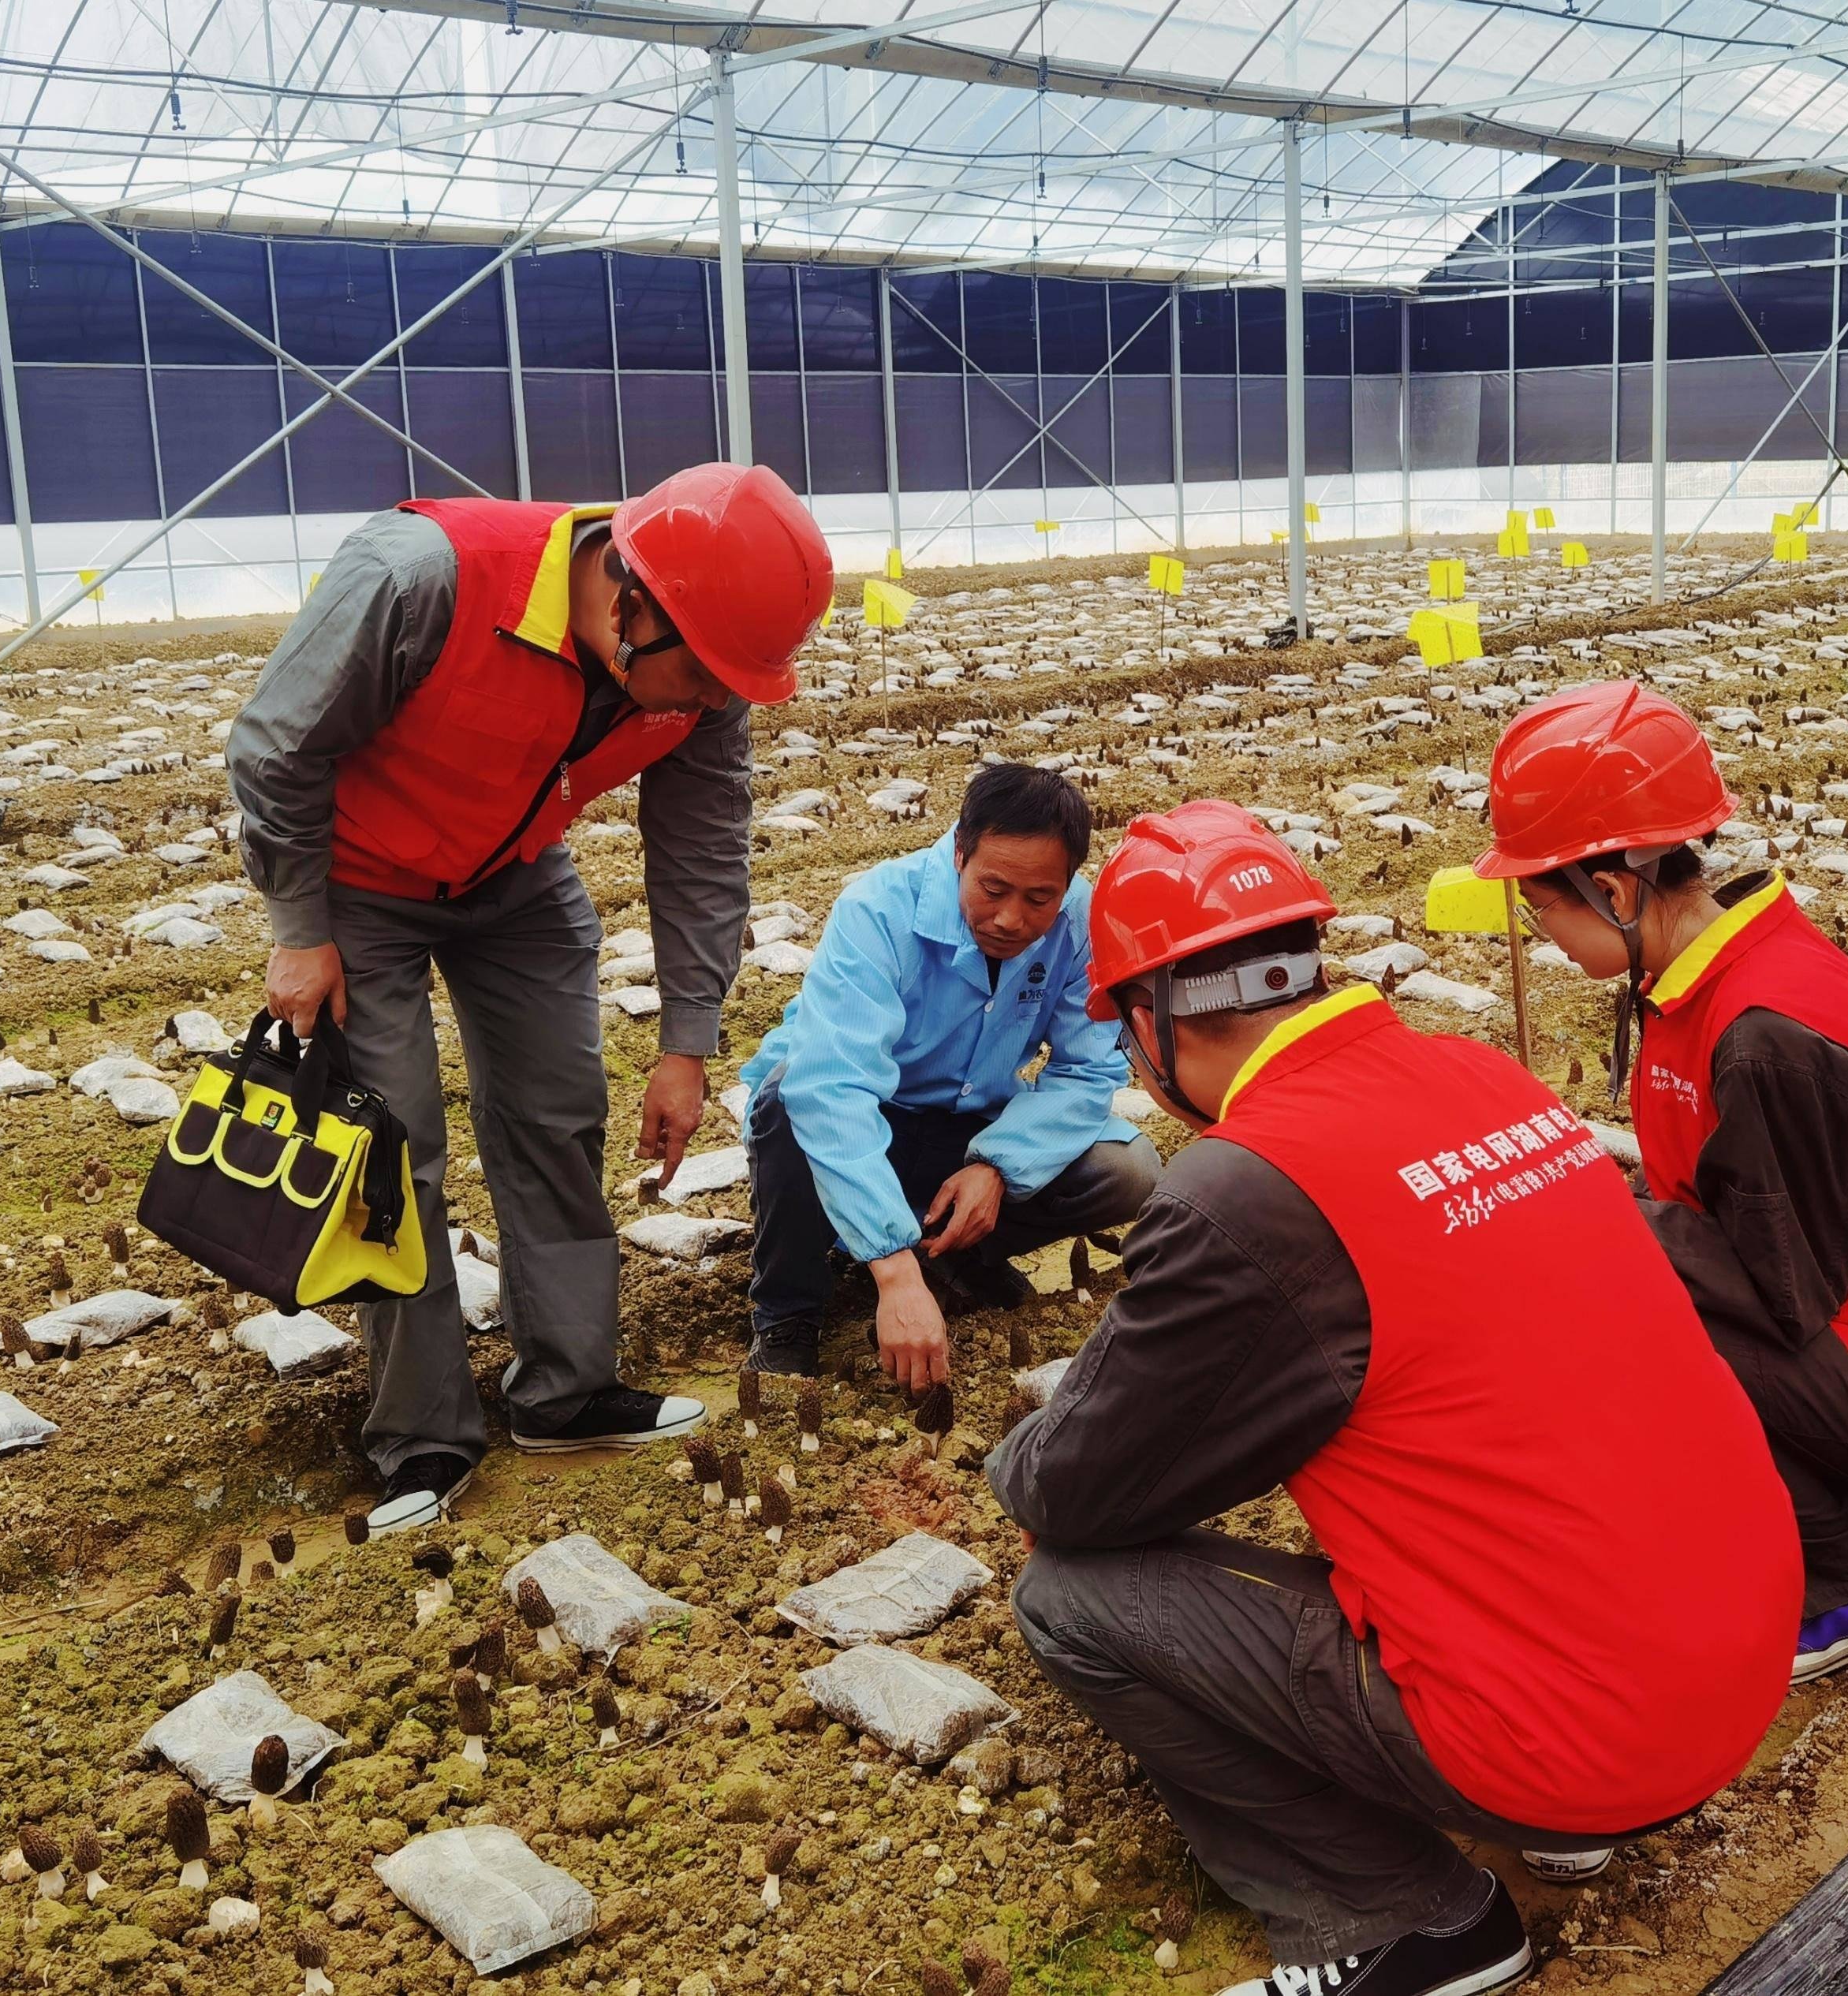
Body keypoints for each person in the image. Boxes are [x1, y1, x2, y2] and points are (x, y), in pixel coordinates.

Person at [991, 800, 1799, 1996]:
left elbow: (1075, 1485)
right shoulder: (1473, 1073)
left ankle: (1391, 1919)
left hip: (1583, 1734)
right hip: (1737, 1667)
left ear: (1151, 1022)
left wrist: (1022, 1459)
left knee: (1068, 1595)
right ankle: (1557, 1819)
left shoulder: (1249, 1185)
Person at [226, 462, 833, 1537]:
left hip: (516, 873)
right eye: (702, 678)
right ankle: (420, 1434)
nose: (711, 704)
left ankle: (564, 1391)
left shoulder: (706, 680)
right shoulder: (423, 579)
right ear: (632, 601)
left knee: (556, 1113)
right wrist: (299, 928)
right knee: (393, 1146)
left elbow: (700, 849)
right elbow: (275, 747)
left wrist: (687, 1041)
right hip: (363, 883)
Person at [1477, 681, 1848, 1681]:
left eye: (1539, 908)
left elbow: (1779, 1285)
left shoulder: (1765, 1034)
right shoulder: (1735, 966)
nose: (1540, 935)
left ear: (1614, 892)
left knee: (1634, 1327)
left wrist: (1591, 1217)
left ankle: (1842, 1586)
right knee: (1653, 1275)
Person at [739, 763, 1159, 1386]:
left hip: (964, 1125)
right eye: (992, 890)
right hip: (859, 1115)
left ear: (1067, 882)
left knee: (1126, 1171)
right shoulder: (877, 910)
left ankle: (952, 1256)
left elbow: (1088, 1069)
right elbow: (832, 1090)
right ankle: (787, 1312)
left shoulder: (1080, 922)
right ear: (960, 851)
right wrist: (892, 1271)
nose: (1011, 920)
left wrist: (996, 1165)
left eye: (1039, 898)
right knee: (784, 1101)